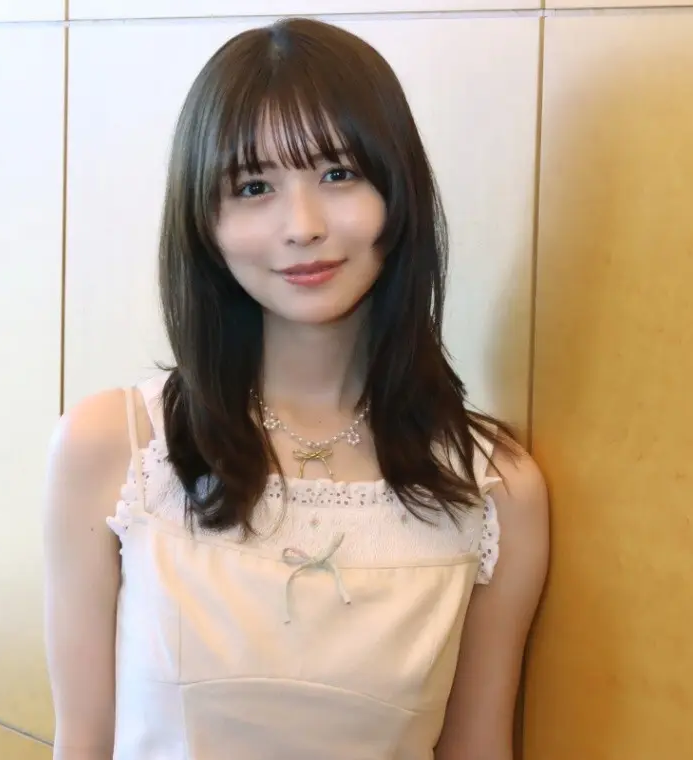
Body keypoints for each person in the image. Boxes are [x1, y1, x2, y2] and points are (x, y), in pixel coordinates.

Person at [42, 16, 550, 760]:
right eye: (254, 186)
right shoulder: (113, 449)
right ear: (205, 222)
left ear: (397, 192)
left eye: (338, 174)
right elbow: (81, 742)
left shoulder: (496, 489)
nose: (303, 226)